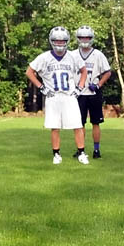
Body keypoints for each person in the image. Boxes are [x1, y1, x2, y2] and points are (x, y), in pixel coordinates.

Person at [25, 26, 89, 165]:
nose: (59, 43)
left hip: (69, 96)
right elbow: (29, 72)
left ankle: (81, 152)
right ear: (51, 41)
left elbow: (84, 71)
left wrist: (80, 87)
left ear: (67, 41)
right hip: (53, 96)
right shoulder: (44, 57)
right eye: (57, 41)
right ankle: (56, 154)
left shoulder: (72, 56)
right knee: (55, 126)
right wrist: (41, 87)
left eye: (62, 41)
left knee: (77, 125)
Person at [73, 26, 112, 158]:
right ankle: (81, 149)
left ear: (91, 38)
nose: (85, 40)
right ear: (78, 39)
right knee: (79, 123)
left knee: (95, 122)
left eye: (87, 37)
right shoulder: (72, 54)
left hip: (94, 93)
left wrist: (98, 84)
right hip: (79, 94)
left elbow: (107, 72)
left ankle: (96, 150)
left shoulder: (98, 55)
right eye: (82, 37)